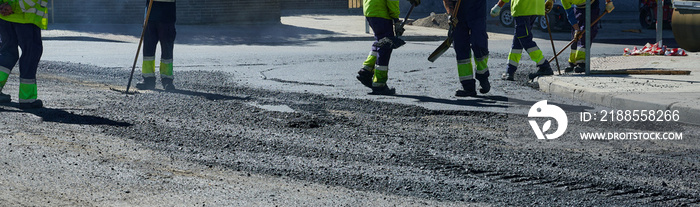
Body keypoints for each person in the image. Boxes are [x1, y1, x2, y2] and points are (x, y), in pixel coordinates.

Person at [0, 0, 48, 109]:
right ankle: (27, 99)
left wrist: (2, 6)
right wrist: (13, 7)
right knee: (30, 54)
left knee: (7, 53)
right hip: (25, 18)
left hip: (4, 17)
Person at [490, 0, 553, 80]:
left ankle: (544, 66)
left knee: (525, 39)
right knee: (518, 40)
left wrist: (499, 5)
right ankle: (510, 70)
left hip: (523, 7)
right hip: (536, 7)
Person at [443, 0, 491, 97]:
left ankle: (482, 75)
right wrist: (450, 14)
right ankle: (468, 87)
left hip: (476, 11)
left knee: (479, 43)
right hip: (458, 14)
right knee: (461, 48)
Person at [355, 0, 402, 95]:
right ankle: (379, 84)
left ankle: (366, 71)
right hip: (380, 13)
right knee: (385, 47)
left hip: (371, 10)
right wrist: (395, 18)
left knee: (380, 42)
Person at [562, 0, 614, 73]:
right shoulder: (564, 0)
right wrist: (577, 29)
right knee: (575, 35)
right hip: (578, 8)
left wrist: (608, 2)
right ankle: (573, 62)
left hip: (592, 6)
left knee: (585, 33)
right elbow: (570, 14)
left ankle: (582, 63)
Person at [136, 0, 177, 91]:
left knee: (167, 51)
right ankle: (148, 80)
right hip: (150, 17)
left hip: (167, 18)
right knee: (148, 51)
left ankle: (167, 81)